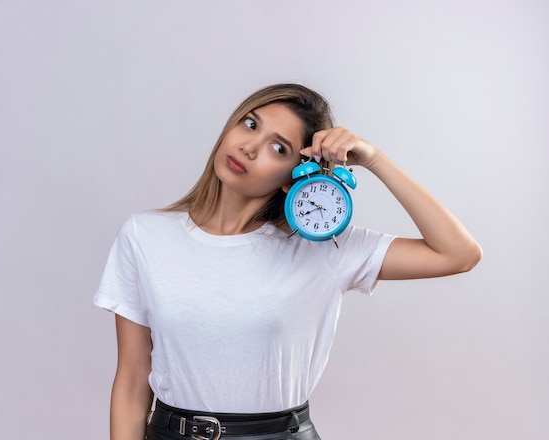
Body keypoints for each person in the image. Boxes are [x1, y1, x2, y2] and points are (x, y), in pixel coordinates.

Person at [93, 83, 482, 440]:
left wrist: (375, 159)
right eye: (250, 124)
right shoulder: (144, 236)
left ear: (292, 178)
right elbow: (130, 382)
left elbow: (458, 253)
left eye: (278, 148)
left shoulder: (325, 249)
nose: (249, 147)